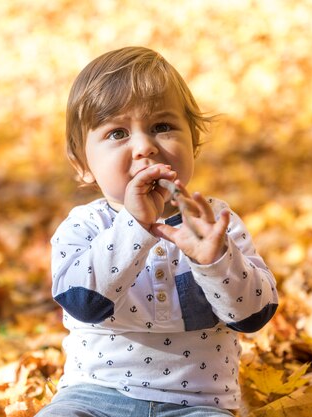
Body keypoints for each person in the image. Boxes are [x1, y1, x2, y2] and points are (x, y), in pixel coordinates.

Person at [37, 46, 278, 417]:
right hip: (94, 396)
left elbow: (253, 316)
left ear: (193, 143)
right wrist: (135, 225)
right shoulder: (83, 227)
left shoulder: (213, 221)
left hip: (198, 405)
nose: (145, 147)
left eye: (162, 127)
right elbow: (85, 304)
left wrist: (215, 260)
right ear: (83, 165)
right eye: (117, 133)